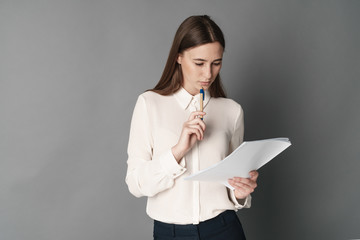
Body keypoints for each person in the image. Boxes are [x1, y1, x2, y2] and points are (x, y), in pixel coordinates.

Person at [125, 15, 259, 240]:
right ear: (178, 57)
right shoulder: (150, 104)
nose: (208, 74)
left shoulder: (231, 111)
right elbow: (136, 184)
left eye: (216, 63)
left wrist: (240, 193)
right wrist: (177, 151)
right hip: (171, 233)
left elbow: (233, 180)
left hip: (225, 229)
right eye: (199, 63)